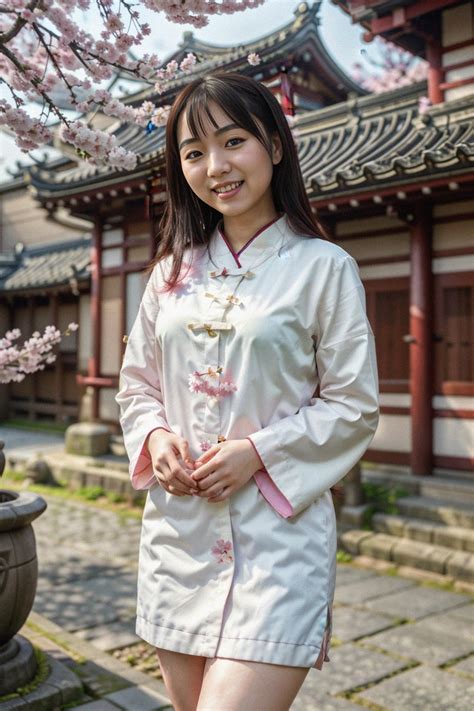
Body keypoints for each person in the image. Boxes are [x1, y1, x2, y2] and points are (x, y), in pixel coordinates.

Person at [115, 71, 379, 711]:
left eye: (233, 141)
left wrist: (257, 452)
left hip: (278, 544)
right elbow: (138, 385)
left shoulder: (324, 269)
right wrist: (155, 436)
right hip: (180, 536)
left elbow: (353, 404)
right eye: (194, 152)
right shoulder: (169, 274)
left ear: (276, 146)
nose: (216, 166)